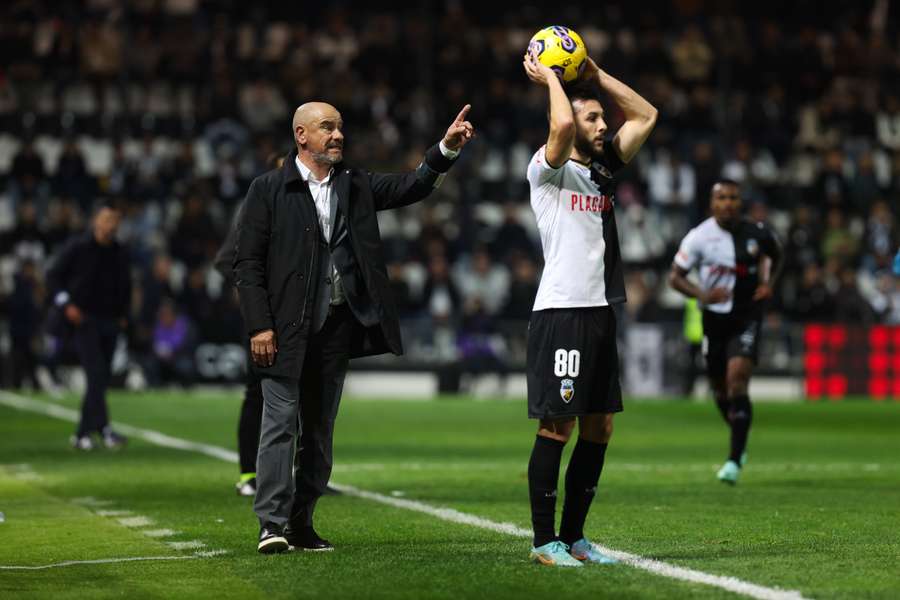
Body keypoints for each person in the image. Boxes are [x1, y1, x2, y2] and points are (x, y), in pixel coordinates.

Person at [235, 101, 474, 553]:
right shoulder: (267, 189)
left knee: (319, 434)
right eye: (327, 127)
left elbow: (412, 186)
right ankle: (271, 523)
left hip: (336, 329)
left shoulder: (356, 184)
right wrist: (259, 327)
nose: (338, 135)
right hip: (284, 330)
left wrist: (446, 148)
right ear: (301, 136)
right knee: (279, 426)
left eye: (341, 127)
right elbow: (247, 265)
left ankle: (301, 524)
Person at [522, 51, 657, 567]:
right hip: (562, 311)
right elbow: (558, 121)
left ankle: (574, 537)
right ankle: (542, 541)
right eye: (594, 117)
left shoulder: (601, 169)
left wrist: (596, 74)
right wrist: (554, 77)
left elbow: (646, 115)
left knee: (600, 428)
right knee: (558, 427)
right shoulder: (547, 170)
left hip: (600, 311)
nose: (604, 125)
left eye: (603, 117)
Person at [668, 180, 783, 485]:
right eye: (722, 198)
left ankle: (734, 459)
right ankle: (739, 437)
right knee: (720, 389)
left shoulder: (757, 233)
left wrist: (768, 285)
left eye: (733, 197)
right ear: (712, 203)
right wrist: (701, 295)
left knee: (737, 380)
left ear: (739, 202)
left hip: (747, 317)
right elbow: (675, 277)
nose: (728, 203)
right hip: (715, 321)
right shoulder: (699, 238)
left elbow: (777, 253)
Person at [46, 204, 131, 451]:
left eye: (115, 220)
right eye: (106, 219)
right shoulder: (78, 247)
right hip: (84, 321)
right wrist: (66, 305)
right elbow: (52, 275)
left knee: (100, 378)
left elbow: (124, 285)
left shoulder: (119, 251)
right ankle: (96, 431)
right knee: (96, 375)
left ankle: (90, 432)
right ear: (96, 221)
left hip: (110, 322)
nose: (110, 225)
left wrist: (124, 314)